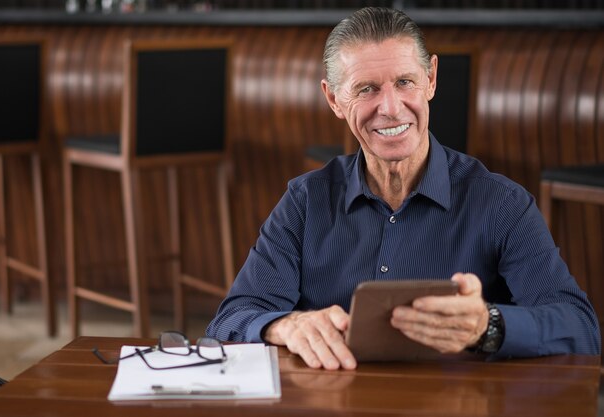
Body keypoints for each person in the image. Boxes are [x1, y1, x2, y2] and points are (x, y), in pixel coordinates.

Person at [206, 7, 601, 370]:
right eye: (366, 89)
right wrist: (283, 325)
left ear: (430, 80)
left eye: (404, 82)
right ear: (334, 100)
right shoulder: (305, 201)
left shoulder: (503, 204)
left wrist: (489, 325)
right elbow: (230, 320)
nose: (391, 107)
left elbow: (581, 329)